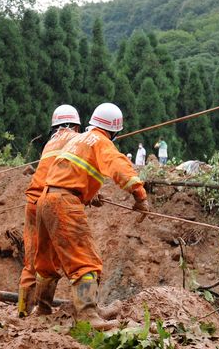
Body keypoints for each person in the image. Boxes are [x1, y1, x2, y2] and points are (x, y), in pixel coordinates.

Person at [35, 102, 149, 331]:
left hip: (46, 199)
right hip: (64, 203)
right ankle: (88, 315)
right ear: (114, 131)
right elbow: (120, 168)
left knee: (47, 260)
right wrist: (140, 196)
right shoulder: (101, 141)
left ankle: (43, 309)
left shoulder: (77, 140)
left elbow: (68, 172)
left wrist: (87, 194)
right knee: (86, 260)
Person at [18, 104, 81, 318]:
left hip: (32, 203)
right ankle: (49, 307)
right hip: (52, 202)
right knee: (64, 258)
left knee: (32, 260)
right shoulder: (76, 140)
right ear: (76, 126)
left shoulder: (49, 143)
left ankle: (23, 312)